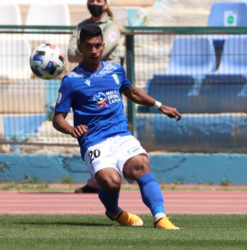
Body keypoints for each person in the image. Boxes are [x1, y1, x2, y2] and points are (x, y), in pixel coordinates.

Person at [53, 23, 181, 229]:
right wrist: (71, 129)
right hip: (94, 141)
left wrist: (159, 105)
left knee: (140, 166)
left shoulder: (115, 70)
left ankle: (160, 217)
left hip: (121, 135)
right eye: (88, 46)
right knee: (111, 182)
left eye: (97, 45)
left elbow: (132, 92)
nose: (93, 50)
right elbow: (58, 118)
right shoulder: (71, 80)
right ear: (80, 47)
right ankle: (114, 212)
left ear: (103, 45)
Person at [68, 0, 120, 193]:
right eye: (92, 0)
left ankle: (103, 178)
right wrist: (84, 53)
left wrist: (85, 50)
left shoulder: (112, 26)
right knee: (88, 130)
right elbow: (70, 52)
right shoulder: (81, 26)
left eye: (99, 1)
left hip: (107, 86)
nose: (95, 4)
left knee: (109, 130)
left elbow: (101, 52)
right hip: (86, 85)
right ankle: (96, 179)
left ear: (106, 5)